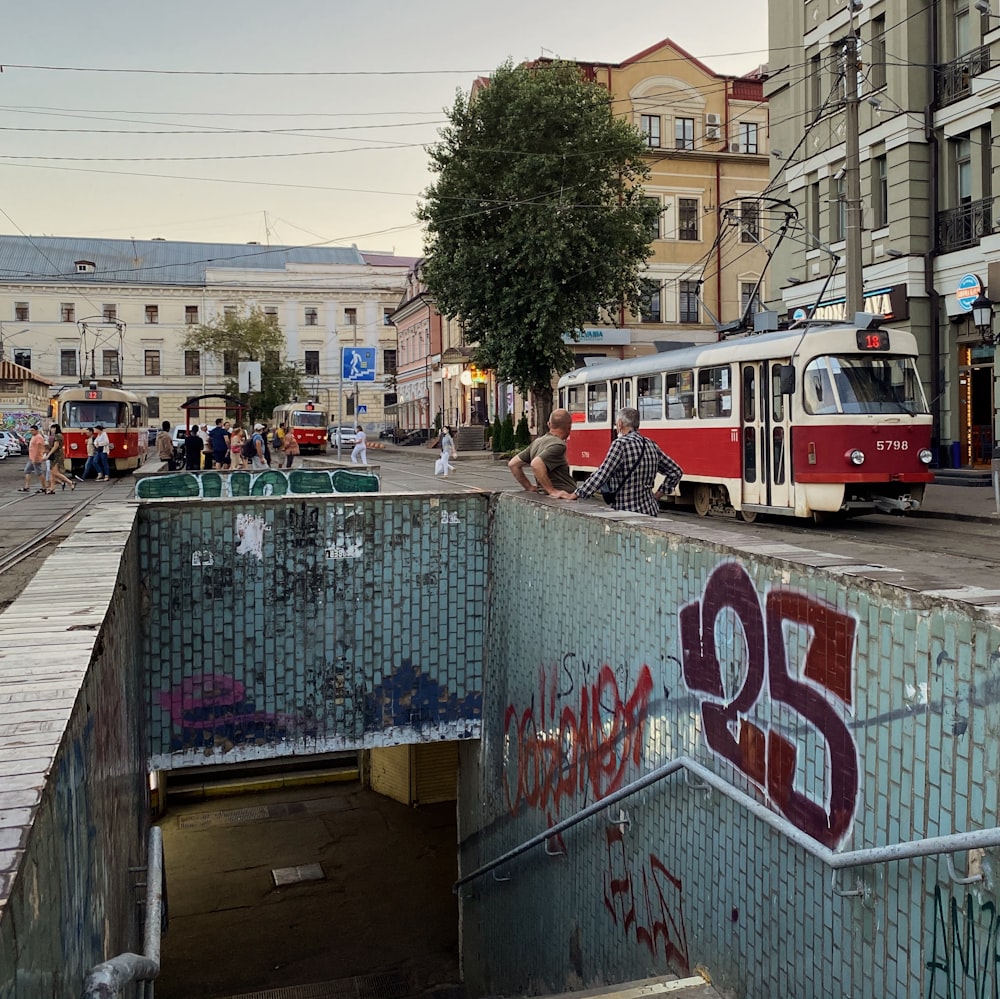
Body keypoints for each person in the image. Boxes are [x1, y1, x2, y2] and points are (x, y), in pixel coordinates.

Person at [561, 406, 683, 516]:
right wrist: (657, 496)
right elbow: (676, 471)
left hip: (626, 511)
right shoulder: (650, 445)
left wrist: (575, 494)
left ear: (620, 424)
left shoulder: (620, 444)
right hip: (649, 511)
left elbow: (602, 474)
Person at [507, 408, 577, 496]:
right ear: (569, 427)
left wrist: (529, 487)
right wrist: (552, 491)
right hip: (562, 497)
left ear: (549, 424)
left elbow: (513, 464)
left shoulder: (537, 442)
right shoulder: (559, 445)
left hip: (543, 495)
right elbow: (536, 464)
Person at [18, 425, 48, 493]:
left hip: (36, 458)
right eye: (30, 430)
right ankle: (26, 486)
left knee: (39, 472)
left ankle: (44, 487)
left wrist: (36, 457)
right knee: (27, 470)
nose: (31, 432)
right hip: (31, 457)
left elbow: (39, 448)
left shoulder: (39, 437)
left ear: (36, 430)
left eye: (32, 430)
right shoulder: (33, 436)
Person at [44, 424, 75, 492]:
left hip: (56, 455)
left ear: (56, 428)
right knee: (52, 473)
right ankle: (52, 488)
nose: (52, 430)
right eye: (51, 428)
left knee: (55, 472)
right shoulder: (55, 436)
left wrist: (48, 454)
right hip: (54, 455)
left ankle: (70, 482)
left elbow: (55, 446)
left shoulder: (58, 436)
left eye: (53, 428)